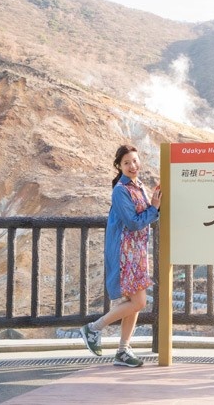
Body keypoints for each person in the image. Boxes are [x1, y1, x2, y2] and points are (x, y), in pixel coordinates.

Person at [80, 144, 161, 367]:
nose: (132, 165)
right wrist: (154, 209)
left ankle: (123, 351)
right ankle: (94, 327)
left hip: (137, 252)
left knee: (133, 302)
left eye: (134, 161)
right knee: (139, 301)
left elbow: (145, 214)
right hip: (126, 253)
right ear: (119, 166)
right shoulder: (120, 190)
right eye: (127, 163)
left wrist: (155, 204)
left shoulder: (139, 186)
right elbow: (133, 222)